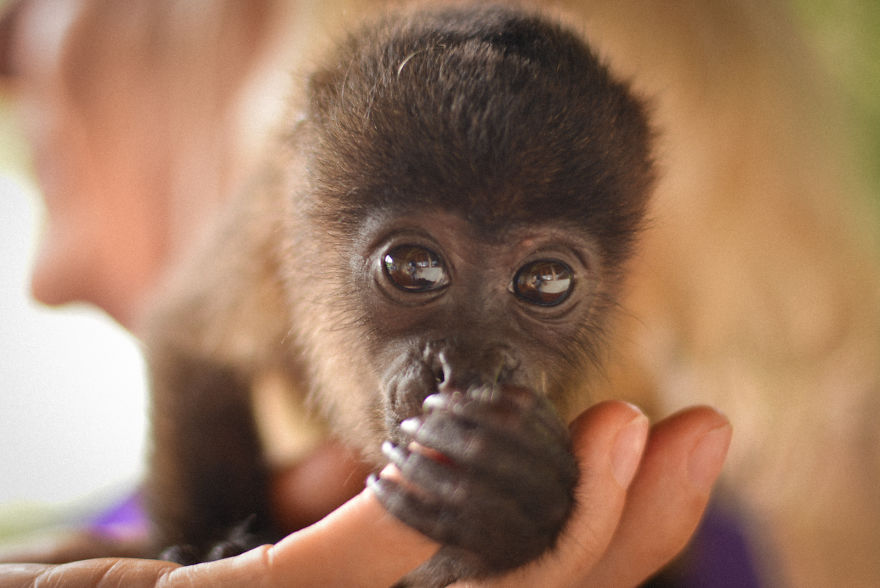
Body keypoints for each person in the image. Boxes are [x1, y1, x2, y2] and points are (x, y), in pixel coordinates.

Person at [4, 0, 800, 585]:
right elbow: (187, 346)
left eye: (543, 282)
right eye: (412, 270)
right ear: (298, 206)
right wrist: (213, 546)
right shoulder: (261, 238)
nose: (466, 364)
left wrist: (522, 520)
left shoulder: (678, 480)